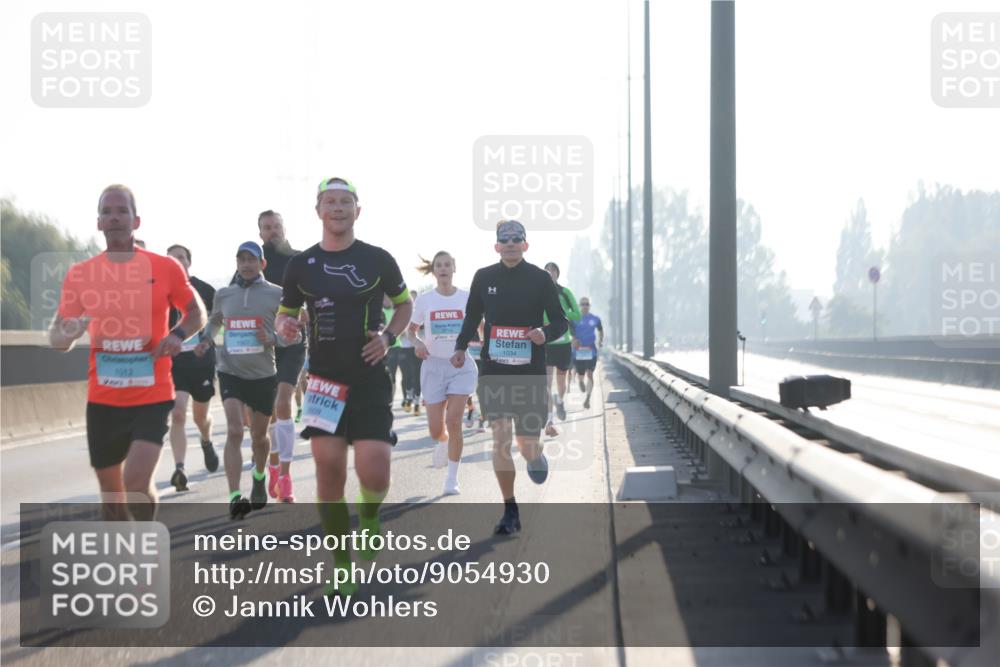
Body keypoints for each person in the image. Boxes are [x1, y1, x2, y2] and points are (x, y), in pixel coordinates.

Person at [276, 177, 412, 597]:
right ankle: (340, 565)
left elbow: (404, 305)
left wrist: (388, 337)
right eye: (330, 202)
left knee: (375, 470)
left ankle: (369, 514)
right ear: (318, 210)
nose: (338, 208)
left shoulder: (378, 259)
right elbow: (286, 314)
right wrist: (284, 327)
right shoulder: (300, 265)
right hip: (322, 382)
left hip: (370, 376)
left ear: (358, 210)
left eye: (346, 202)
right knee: (328, 471)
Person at [50, 185, 206, 520]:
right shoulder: (81, 274)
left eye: (122, 211)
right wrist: (67, 333)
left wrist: (178, 334)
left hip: (152, 394)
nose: (115, 217)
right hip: (103, 399)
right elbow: (57, 338)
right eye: (107, 212)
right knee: (112, 501)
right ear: (98, 223)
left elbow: (196, 312)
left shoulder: (164, 267)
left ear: (136, 220)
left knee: (135, 483)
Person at [452, 220, 567, 535]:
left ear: (526, 245)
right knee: (500, 440)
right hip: (495, 371)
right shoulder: (484, 277)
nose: (511, 243)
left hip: (529, 374)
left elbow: (561, 322)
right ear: (497, 246)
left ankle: (536, 455)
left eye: (517, 239)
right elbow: (472, 316)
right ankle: (510, 509)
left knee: (526, 445)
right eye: (505, 239)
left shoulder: (540, 279)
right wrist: (461, 346)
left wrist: (544, 333)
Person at [196, 241, 292, 519]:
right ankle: (235, 496)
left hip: (262, 375)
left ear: (262, 264)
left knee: (259, 436)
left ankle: (259, 476)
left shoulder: (278, 295)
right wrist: (205, 340)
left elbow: (293, 335)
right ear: (236, 264)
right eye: (242, 260)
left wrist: (272, 338)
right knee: (235, 430)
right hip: (230, 371)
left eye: (252, 260)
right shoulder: (224, 294)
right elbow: (214, 321)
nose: (246, 264)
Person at [409, 251, 478, 495]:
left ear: (454, 267)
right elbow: (411, 330)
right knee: (436, 429)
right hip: (433, 366)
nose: (443, 268)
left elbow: (481, 324)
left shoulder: (467, 297)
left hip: (460, 365)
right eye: (439, 265)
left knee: (454, 420)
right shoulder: (425, 300)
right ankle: (442, 440)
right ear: (434, 270)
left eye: (447, 264)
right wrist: (417, 343)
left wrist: (488, 340)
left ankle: (452, 479)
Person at [257, 210, 306, 503]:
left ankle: (286, 478)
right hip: (264, 345)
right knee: (271, 414)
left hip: (294, 341)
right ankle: (274, 465)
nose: (272, 231)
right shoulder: (252, 262)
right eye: (266, 227)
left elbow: (313, 297)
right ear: (260, 232)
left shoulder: (299, 259)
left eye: (276, 226)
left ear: (284, 229)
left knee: (284, 402)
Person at [165, 244, 219, 491]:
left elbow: (218, 319)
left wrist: (206, 341)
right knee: (177, 413)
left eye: (181, 258)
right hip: (175, 361)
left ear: (189, 262)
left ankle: (206, 440)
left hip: (201, 360)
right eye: (172, 258)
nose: (177, 262)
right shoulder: (159, 291)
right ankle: (179, 468)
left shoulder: (204, 290)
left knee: (200, 417)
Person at [541, 262, 581, 437]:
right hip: (547, 343)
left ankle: (560, 400)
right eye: (547, 271)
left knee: (561, 382)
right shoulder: (538, 293)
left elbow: (577, 314)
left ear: (557, 274)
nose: (550, 273)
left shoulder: (565, 293)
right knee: (547, 384)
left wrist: (562, 314)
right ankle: (550, 419)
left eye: (553, 271)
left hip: (564, 343)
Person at [572, 297, 604, 410]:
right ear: (579, 305)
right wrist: (573, 340)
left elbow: (600, 330)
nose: (585, 306)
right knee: (581, 374)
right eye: (582, 304)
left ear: (590, 305)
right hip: (578, 351)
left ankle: (588, 399)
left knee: (590, 374)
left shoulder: (595, 319)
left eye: (587, 304)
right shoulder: (574, 318)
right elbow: (569, 331)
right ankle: (580, 381)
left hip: (591, 351)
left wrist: (600, 341)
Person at [399, 289, 423, 415]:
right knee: (407, 375)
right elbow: (397, 332)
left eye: (414, 298)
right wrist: (402, 332)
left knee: (417, 375)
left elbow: (423, 330)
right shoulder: (400, 313)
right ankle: (409, 396)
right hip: (404, 348)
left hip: (416, 348)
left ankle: (417, 402)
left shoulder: (419, 313)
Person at [382, 295, 403, 404]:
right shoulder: (380, 312)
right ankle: (388, 400)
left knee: (396, 375)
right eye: (385, 298)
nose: (387, 300)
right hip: (386, 348)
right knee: (389, 376)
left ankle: (391, 401)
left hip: (397, 347)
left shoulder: (398, 311)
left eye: (389, 298)